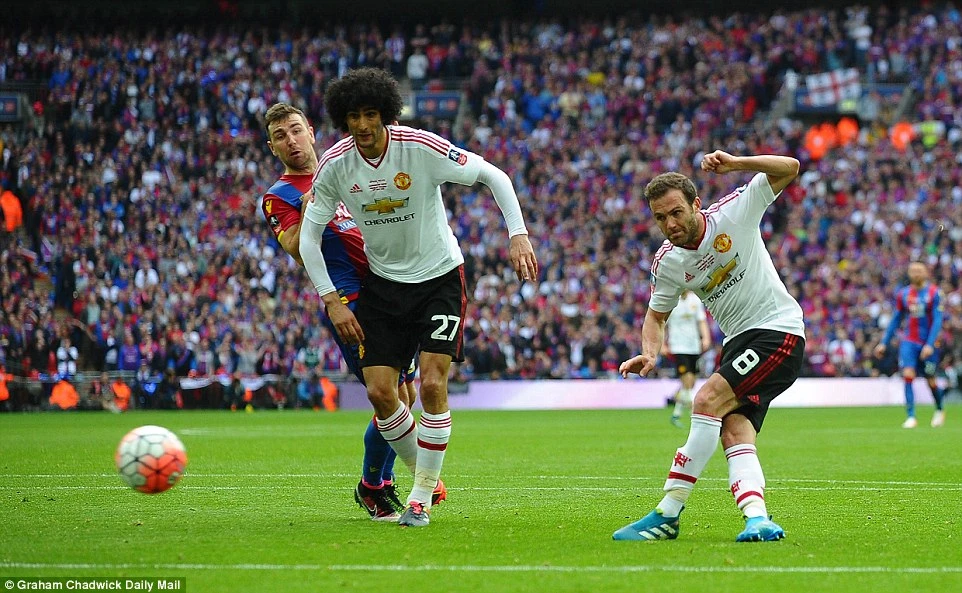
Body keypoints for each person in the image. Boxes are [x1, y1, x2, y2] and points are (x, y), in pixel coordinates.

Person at [300, 67, 538, 527]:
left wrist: (518, 234)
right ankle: (423, 475)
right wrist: (331, 300)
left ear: (386, 114)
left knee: (430, 385)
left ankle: (420, 498)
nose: (363, 124)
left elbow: (494, 175)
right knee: (380, 393)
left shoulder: (419, 147)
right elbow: (309, 239)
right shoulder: (334, 165)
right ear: (343, 120)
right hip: (383, 285)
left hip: (439, 279)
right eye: (354, 116)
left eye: (371, 114)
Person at [613, 150, 805, 543]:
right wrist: (650, 352)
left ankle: (668, 512)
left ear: (696, 204)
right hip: (737, 343)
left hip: (777, 330)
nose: (670, 224)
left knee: (705, 400)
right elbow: (656, 316)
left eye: (676, 212)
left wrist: (736, 163)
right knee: (734, 431)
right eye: (660, 218)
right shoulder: (668, 263)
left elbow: (791, 168)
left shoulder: (733, 212)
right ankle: (757, 519)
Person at [261, 102, 436, 521]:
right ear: (273, 147)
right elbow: (296, 250)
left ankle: (380, 483)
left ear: (311, 131)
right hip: (349, 299)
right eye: (281, 136)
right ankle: (374, 486)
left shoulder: (342, 169)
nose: (291, 141)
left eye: (296, 130)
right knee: (388, 395)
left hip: (389, 289)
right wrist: (311, 205)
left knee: (405, 397)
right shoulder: (278, 196)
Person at [873, 262, 946, 428]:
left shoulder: (934, 293)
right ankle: (911, 416)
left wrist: (930, 344)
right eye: (913, 271)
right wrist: (884, 343)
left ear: (926, 273)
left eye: (919, 270)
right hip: (909, 342)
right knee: (908, 374)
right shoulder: (904, 294)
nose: (916, 273)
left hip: (928, 343)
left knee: (931, 380)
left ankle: (939, 408)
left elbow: (937, 320)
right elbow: (896, 319)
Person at [664, 289, 711, 427]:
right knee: (687, 379)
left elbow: (701, 321)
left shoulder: (695, 300)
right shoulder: (671, 300)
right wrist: (662, 344)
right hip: (678, 346)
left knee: (690, 383)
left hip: (694, 346)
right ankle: (695, 414)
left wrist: (706, 338)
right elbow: (662, 323)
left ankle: (676, 414)